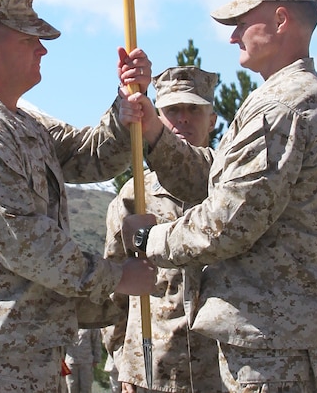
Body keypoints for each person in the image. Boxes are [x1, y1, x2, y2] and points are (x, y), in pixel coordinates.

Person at [119, 0, 317, 392]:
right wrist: (154, 131)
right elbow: (219, 180)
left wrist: (147, 242)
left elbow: (229, 220)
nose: (232, 36)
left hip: (273, 345)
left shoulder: (283, 106)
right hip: (274, 336)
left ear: (281, 20)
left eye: (242, 22)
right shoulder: (288, 100)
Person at [0, 0, 156, 393]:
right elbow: (33, 248)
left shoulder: (21, 125)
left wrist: (126, 107)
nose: (42, 51)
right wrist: (119, 277)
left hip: (27, 351)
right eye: (29, 40)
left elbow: (92, 155)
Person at [104, 66, 227, 392]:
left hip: (220, 370)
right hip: (151, 368)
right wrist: (120, 359)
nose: (183, 118)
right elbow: (114, 283)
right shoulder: (135, 196)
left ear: (212, 119)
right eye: (173, 110)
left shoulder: (232, 187)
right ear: (157, 115)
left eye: (193, 109)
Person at [65, 327, 103, 393]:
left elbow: (96, 341)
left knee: (86, 388)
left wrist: (97, 358)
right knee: (71, 387)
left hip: (86, 361)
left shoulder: (90, 324)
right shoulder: (67, 323)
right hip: (70, 361)